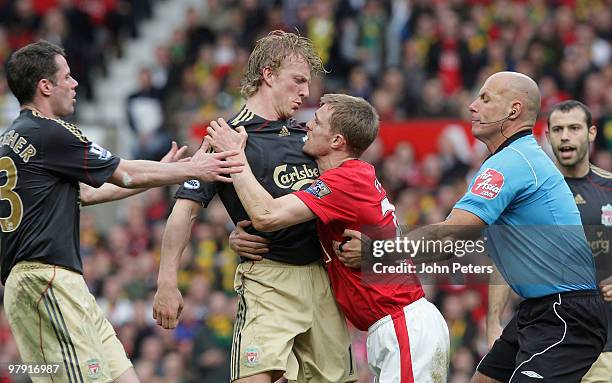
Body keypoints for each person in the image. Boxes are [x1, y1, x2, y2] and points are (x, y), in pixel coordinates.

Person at [0, 40, 243, 383]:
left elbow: (87, 191)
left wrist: (161, 173)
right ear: (45, 86)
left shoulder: (14, 137)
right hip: (45, 282)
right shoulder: (50, 132)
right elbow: (125, 172)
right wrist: (194, 168)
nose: (75, 84)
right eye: (67, 77)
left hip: (55, 281)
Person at [341, 71, 608, 382]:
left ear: (514, 110)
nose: (471, 105)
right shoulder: (515, 157)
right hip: (541, 309)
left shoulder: (513, 161)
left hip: (565, 312)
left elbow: (452, 234)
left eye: (485, 98)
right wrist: (494, 320)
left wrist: (376, 252)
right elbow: (456, 246)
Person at [152, 31, 356, 383]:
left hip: (323, 279)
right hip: (269, 279)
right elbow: (184, 211)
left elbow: (346, 195)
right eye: (298, 80)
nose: (306, 92)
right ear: (269, 74)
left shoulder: (307, 138)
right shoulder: (223, 137)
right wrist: (167, 282)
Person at [205, 93, 450, 382]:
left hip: (403, 325)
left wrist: (235, 155)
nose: (307, 125)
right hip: (392, 326)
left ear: (337, 141)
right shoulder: (351, 178)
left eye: (317, 122)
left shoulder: (345, 180)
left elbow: (267, 216)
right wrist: (238, 237)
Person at [483, 100, 612, 383]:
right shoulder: (529, 189)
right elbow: (505, 261)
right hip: (543, 330)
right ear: (547, 134)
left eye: (574, 128)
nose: (565, 136)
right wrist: (493, 321)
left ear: (591, 133)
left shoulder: (609, 189)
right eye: (558, 129)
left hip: (604, 344)